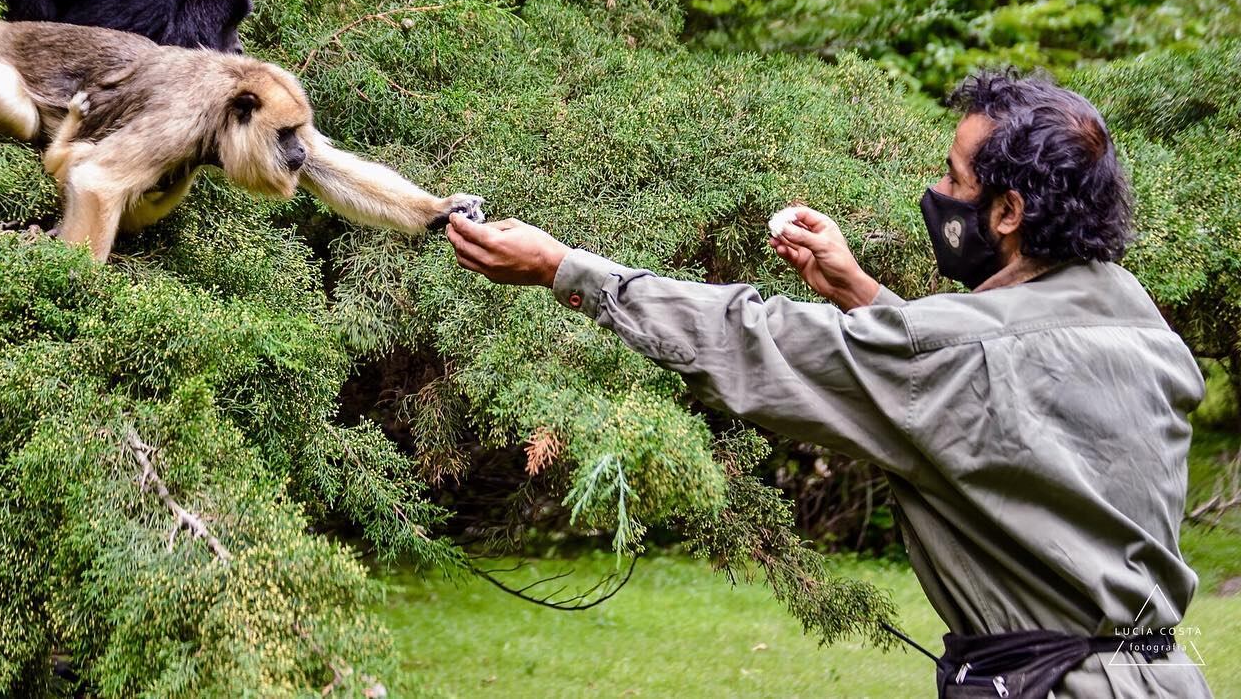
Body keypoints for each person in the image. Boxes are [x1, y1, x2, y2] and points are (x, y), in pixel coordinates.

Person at [444, 71, 1211, 699]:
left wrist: (565, 269)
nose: (935, 190)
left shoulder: (956, 355)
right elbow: (992, 393)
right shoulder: (1137, 330)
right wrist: (862, 295)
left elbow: (752, 339)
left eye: (952, 176)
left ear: (1007, 212)